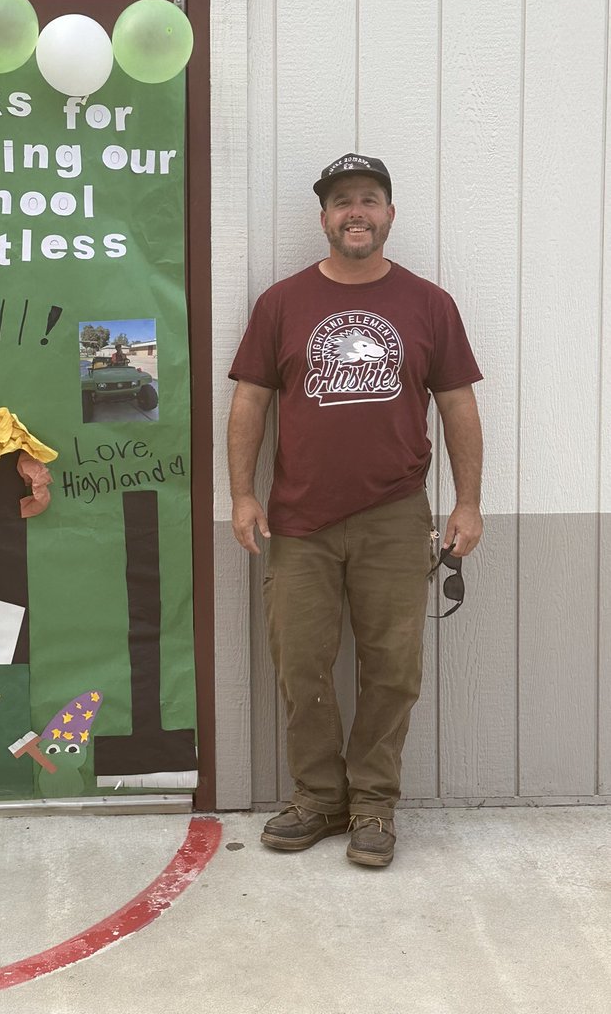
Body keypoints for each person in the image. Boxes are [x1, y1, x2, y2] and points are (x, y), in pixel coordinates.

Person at [227, 153, 483, 868]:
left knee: (392, 668)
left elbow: (457, 401)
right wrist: (242, 493)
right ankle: (317, 798)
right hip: (300, 522)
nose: (356, 212)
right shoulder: (282, 304)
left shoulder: (429, 304)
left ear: (389, 214)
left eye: (368, 199)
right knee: (301, 666)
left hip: (396, 517)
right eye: (342, 202)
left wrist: (469, 500)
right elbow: (250, 398)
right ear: (324, 219)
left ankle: (373, 806)